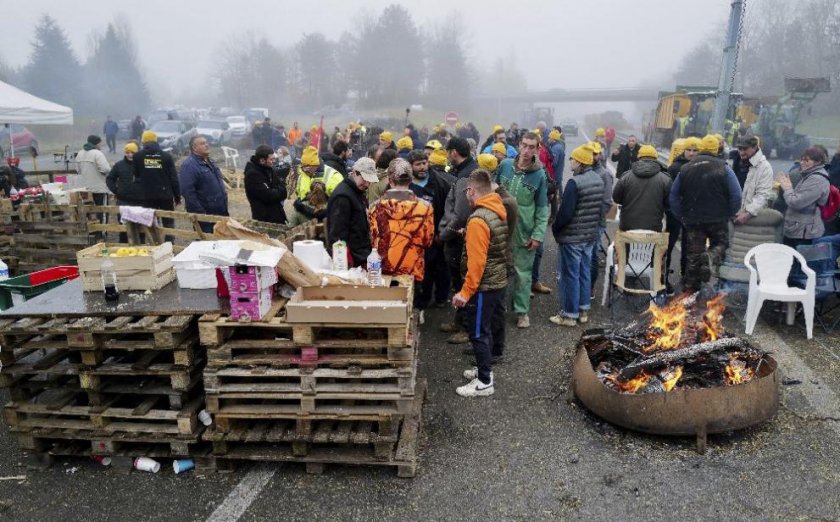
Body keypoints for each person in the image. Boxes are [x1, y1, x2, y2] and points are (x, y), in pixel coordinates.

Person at [452, 169, 508, 398]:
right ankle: (481, 368)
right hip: (498, 281)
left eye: (467, 190)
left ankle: (484, 381)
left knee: (477, 332)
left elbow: (476, 263)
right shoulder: (496, 209)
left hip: (483, 286)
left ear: (472, 190)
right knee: (487, 328)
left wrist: (465, 293)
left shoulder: (477, 219)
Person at [669, 135, 742, 292]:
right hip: (718, 219)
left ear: (701, 148)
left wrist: (681, 216)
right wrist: (729, 213)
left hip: (693, 220)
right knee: (721, 244)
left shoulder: (686, 169)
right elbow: (736, 195)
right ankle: (710, 256)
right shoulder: (724, 168)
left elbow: (673, 196)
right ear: (717, 149)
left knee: (693, 255)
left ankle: (690, 290)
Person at [496, 131, 549, 329]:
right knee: (497, 271)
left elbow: (543, 208)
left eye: (531, 147)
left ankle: (521, 312)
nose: (527, 150)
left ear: (538, 149)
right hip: (500, 228)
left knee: (523, 275)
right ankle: (496, 310)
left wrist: (537, 235)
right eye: (524, 145)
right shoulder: (505, 166)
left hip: (524, 232)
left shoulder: (539, 175)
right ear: (518, 145)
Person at [549, 144, 604, 327]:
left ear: (579, 161)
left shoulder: (574, 183)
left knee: (569, 275)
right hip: (589, 235)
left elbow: (565, 213)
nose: (570, 161)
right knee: (584, 271)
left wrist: (556, 228)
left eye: (572, 158)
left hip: (573, 237)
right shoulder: (597, 178)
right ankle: (583, 310)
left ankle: (568, 314)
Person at [369, 158, 434, 306]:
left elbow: (374, 242)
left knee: (388, 311)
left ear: (390, 180)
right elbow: (428, 241)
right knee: (411, 311)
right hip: (413, 269)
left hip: (384, 270)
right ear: (410, 180)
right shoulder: (425, 208)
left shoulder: (375, 208)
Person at [438, 137, 480, 343]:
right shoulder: (469, 170)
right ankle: (459, 319)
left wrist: (444, 235)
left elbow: (461, 215)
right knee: (460, 283)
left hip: (458, 239)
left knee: (462, 283)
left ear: (454, 152)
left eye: (448, 152)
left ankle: (466, 327)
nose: (447, 156)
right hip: (462, 236)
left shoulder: (464, 177)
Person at [409, 149, 452, 312]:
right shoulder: (407, 184)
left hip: (437, 235)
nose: (422, 167)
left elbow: (450, 210)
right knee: (422, 270)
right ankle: (422, 300)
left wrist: (443, 232)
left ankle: (441, 298)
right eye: (418, 164)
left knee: (441, 267)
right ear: (411, 166)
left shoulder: (441, 184)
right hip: (415, 238)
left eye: (424, 163)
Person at [327, 157, 379, 267]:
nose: (366, 184)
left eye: (369, 181)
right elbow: (337, 235)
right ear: (355, 173)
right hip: (353, 260)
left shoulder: (357, 192)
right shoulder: (343, 197)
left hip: (362, 255)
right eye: (364, 179)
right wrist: (346, 261)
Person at [776, 146, 831, 248]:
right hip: (798, 229)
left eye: (806, 160)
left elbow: (795, 202)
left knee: (799, 262)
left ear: (818, 162)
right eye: (801, 159)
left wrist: (788, 189)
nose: (802, 163)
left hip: (804, 233)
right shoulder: (809, 175)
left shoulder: (817, 179)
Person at [664, 136, 700, 292]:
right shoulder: (674, 167)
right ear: (684, 150)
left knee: (690, 247)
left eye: (695, 150)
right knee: (669, 245)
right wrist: (672, 210)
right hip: (675, 214)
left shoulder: (701, 167)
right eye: (689, 150)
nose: (691, 153)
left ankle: (686, 278)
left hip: (692, 214)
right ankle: (663, 278)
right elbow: (668, 192)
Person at [612, 144, 672, 231]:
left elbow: (616, 198)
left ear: (638, 157)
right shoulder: (665, 179)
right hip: (653, 228)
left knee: (626, 245)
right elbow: (669, 204)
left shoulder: (626, 176)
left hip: (628, 226)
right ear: (656, 158)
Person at [133, 130, 180, 237]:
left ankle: (153, 244)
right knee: (168, 222)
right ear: (156, 140)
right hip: (165, 195)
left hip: (146, 195)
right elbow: (174, 178)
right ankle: (170, 244)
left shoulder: (137, 156)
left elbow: (136, 175)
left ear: (143, 141)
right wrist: (177, 196)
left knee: (149, 221)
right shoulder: (166, 156)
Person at [179, 135, 228, 232]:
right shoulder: (189, 165)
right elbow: (188, 193)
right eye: (202, 143)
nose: (206, 145)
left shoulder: (210, 161)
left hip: (221, 212)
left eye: (206, 143)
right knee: (206, 244)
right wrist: (201, 214)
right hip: (206, 218)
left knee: (222, 243)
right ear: (194, 148)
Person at [588, 141, 615, 296]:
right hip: (583, 222)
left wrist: (594, 219)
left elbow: (606, 202)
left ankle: (590, 287)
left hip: (595, 223)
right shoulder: (583, 171)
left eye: (595, 153)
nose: (593, 156)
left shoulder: (605, 175)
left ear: (600, 155)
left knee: (592, 255)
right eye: (590, 153)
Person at [733, 134, 775, 225]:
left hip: (752, 218)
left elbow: (763, 196)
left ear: (755, 147)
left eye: (745, 149)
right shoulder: (736, 162)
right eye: (740, 149)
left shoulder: (765, 167)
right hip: (733, 215)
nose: (742, 152)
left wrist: (747, 214)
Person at [244, 145, 287, 224]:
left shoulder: (270, 169)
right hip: (265, 219)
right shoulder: (252, 175)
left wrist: (276, 191)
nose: (273, 161)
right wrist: (278, 191)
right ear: (262, 160)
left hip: (278, 215)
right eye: (271, 159)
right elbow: (269, 196)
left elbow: (284, 190)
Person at [75, 135, 111, 204]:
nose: (101, 145)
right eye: (100, 143)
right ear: (96, 143)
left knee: (87, 210)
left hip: (85, 188)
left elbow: (77, 170)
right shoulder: (97, 153)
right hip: (99, 188)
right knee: (101, 209)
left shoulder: (80, 153)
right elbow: (105, 169)